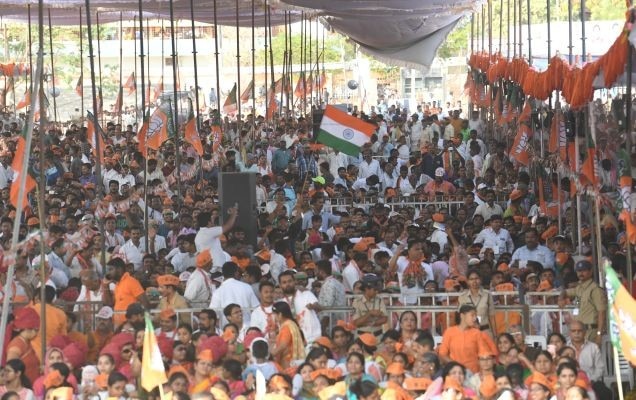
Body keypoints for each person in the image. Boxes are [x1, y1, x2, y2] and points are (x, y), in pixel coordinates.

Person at [558, 260, 606, 344]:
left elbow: (601, 313)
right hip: (580, 332)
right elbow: (565, 292)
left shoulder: (595, 290)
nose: (581, 273)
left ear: (590, 271)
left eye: (584, 270)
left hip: (591, 331)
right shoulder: (579, 288)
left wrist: (599, 334)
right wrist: (560, 299)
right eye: (579, 271)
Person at [438, 304, 489, 373]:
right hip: (455, 372)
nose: (475, 319)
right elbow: (442, 354)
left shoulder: (477, 333)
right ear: (462, 316)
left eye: (475, 316)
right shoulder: (449, 332)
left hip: (473, 373)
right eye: (472, 315)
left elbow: (483, 353)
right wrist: (456, 366)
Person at [102, 257, 150, 328]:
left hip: (131, 325)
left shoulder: (131, 281)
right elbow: (109, 303)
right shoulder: (118, 284)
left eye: (111, 269)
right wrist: (105, 286)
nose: (108, 273)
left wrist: (139, 322)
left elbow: (145, 302)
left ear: (119, 269)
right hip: (119, 325)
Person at [209, 261, 260, 327]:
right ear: (236, 273)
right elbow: (256, 309)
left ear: (223, 274)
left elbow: (213, 313)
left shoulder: (218, 292)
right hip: (246, 328)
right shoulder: (247, 287)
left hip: (227, 330)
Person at [5, 308, 40, 384]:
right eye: (36, 330)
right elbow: (11, 369)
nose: (37, 333)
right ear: (28, 328)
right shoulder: (17, 345)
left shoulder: (26, 342)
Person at [458, 269, 496, 335]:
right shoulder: (462, 297)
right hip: (468, 332)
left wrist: (495, 335)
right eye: (471, 279)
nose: (474, 281)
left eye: (476, 278)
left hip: (485, 331)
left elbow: (492, 317)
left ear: (480, 280)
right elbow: (461, 317)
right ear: (467, 281)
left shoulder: (487, 295)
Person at [270, 301, 305, 369]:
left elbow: (283, 345)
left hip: (288, 362)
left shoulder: (286, 327)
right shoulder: (291, 324)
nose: (274, 317)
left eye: (274, 314)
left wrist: (271, 355)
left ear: (280, 314)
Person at [351, 274, 388, 339]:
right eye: (374, 290)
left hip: (377, 336)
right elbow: (356, 322)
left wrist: (371, 323)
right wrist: (369, 313)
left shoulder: (379, 300)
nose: (376, 292)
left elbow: (384, 319)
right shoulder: (357, 302)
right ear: (366, 289)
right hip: (361, 337)